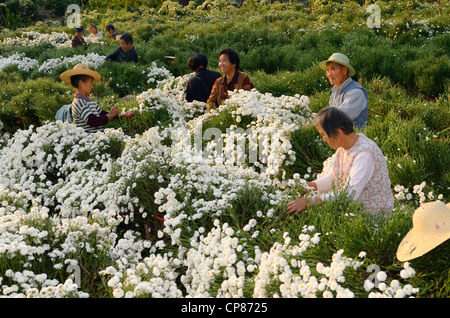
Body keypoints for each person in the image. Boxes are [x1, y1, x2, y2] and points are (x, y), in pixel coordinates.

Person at [286, 107, 394, 216]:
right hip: (354, 210)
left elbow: (350, 195)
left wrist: (310, 201)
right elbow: (333, 178)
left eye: (324, 134)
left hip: (374, 215)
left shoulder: (364, 154)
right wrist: (310, 186)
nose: (323, 139)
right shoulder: (343, 148)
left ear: (338, 131)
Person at [60, 63, 134, 133]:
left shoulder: (89, 101)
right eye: (90, 83)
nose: (92, 86)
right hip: (88, 141)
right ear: (81, 83)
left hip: (97, 138)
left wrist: (121, 114)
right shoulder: (79, 102)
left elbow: (102, 114)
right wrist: (110, 115)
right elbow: (93, 121)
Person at [319, 53, 368, 129]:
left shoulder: (356, 92)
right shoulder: (334, 92)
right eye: (327, 70)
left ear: (344, 70)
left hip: (355, 140)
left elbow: (339, 118)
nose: (329, 74)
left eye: (333, 69)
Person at [207, 48, 254, 112]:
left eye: (224, 61)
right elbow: (211, 101)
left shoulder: (244, 79)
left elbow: (250, 101)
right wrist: (213, 115)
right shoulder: (219, 82)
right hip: (222, 118)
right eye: (220, 61)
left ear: (234, 63)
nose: (221, 64)